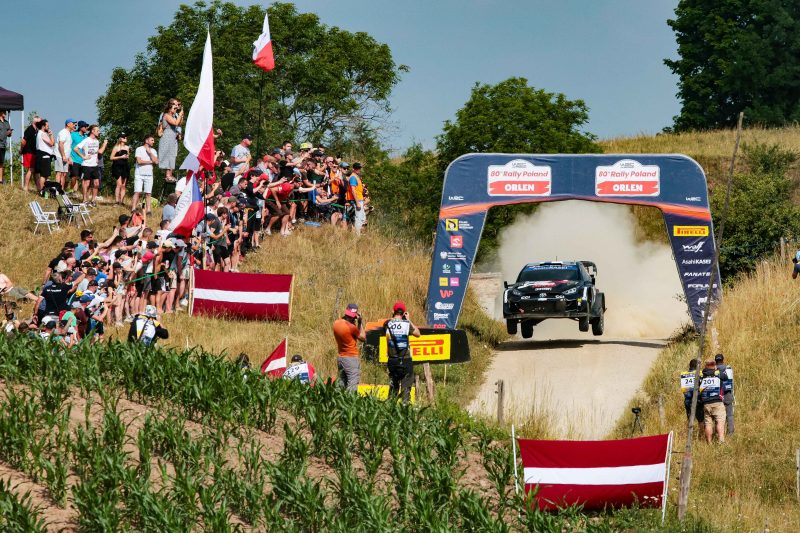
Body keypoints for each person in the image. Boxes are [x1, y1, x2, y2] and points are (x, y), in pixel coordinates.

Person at [383, 300, 420, 404]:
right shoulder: (406, 324)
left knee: (393, 388)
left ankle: (390, 408)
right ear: (404, 313)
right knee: (406, 389)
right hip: (405, 360)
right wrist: (409, 320)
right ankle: (405, 408)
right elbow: (418, 333)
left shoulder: (387, 324)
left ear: (393, 311)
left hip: (392, 360)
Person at [332, 303, 366, 392]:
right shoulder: (351, 327)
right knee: (352, 384)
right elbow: (363, 338)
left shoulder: (336, 323)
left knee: (341, 384)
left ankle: (337, 399)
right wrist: (360, 322)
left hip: (341, 358)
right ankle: (349, 400)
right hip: (351, 358)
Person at [74, 125, 107, 206]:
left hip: (95, 165)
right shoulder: (86, 140)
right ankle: (85, 200)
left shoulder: (97, 141)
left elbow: (97, 152)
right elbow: (76, 148)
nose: (99, 132)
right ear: (92, 131)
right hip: (86, 165)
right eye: (97, 131)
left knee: (96, 183)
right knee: (86, 183)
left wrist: (96, 158)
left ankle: (93, 200)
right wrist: (83, 156)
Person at [698, 359, 725, 444]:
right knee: (720, 421)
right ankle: (721, 441)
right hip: (717, 401)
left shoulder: (701, 376)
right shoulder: (718, 374)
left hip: (706, 403)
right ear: (715, 365)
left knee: (708, 424)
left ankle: (709, 443)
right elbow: (726, 377)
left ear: (706, 366)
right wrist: (717, 370)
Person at [158, 98, 183, 183]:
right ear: (170, 107)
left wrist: (181, 115)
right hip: (167, 137)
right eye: (174, 107)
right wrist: (180, 115)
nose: (176, 108)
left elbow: (179, 124)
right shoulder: (166, 115)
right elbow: (175, 123)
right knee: (168, 155)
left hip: (173, 138)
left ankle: (170, 174)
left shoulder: (173, 116)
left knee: (173, 155)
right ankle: (167, 175)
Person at [133, 135, 158, 213]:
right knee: (137, 192)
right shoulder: (139, 149)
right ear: (146, 141)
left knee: (148, 193)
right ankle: (133, 209)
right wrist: (150, 161)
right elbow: (139, 161)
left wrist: (150, 153)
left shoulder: (153, 151)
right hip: (139, 174)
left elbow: (156, 161)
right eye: (152, 140)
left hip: (149, 175)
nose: (153, 142)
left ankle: (148, 210)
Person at [680, 358, 704, 428]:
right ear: (697, 366)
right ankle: (701, 433)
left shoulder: (683, 375)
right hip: (698, 400)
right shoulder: (700, 373)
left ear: (690, 365)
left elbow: (683, 389)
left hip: (687, 400)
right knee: (701, 420)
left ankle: (690, 433)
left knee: (690, 420)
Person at [714, 353, 735, 434]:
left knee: (717, 416)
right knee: (729, 415)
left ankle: (718, 433)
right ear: (723, 360)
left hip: (717, 395)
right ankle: (730, 432)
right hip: (727, 393)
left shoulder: (713, 370)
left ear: (715, 361)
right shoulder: (728, 368)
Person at [21, 116, 41, 192]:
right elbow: (23, 141)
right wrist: (21, 150)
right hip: (28, 152)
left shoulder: (37, 130)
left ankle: (39, 188)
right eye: (40, 122)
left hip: (34, 152)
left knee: (35, 171)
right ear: (35, 122)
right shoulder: (29, 129)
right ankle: (26, 187)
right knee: (31, 169)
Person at [110, 133, 131, 205]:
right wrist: (121, 157)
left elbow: (128, 156)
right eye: (125, 137)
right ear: (121, 139)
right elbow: (111, 157)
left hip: (125, 166)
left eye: (126, 137)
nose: (126, 138)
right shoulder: (116, 147)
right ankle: (116, 201)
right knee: (119, 184)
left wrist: (127, 157)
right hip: (117, 166)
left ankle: (121, 201)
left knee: (123, 185)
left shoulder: (127, 147)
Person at [55, 119, 76, 189]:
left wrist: (69, 158)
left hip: (65, 157)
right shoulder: (63, 132)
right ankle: (57, 190)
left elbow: (68, 147)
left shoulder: (69, 133)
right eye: (73, 123)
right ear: (68, 124)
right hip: (59, 156)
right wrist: (63, 156)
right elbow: (61, 144)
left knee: (64, 174)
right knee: (59, 173)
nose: (74, 125)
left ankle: (61, 190)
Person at [347, 162, 366, 235]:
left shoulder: (356, 176)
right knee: (358, 218)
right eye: (356, 168)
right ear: (353, 169)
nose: (358, 169)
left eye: (359, 168)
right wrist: (357, 202)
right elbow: (353, 190)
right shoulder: (353, 177)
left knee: (362, 218)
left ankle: (359, 233)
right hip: (357, 200)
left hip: (360, 199)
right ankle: (357, 235)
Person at [0, 110, 13, 185]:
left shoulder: (6, 122)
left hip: (3, 145)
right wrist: (5, 133)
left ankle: (0, 180)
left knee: (1, 162)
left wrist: (10, 133)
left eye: (5, 112)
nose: (5, 113)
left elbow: (9, 134)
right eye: (4, 112)